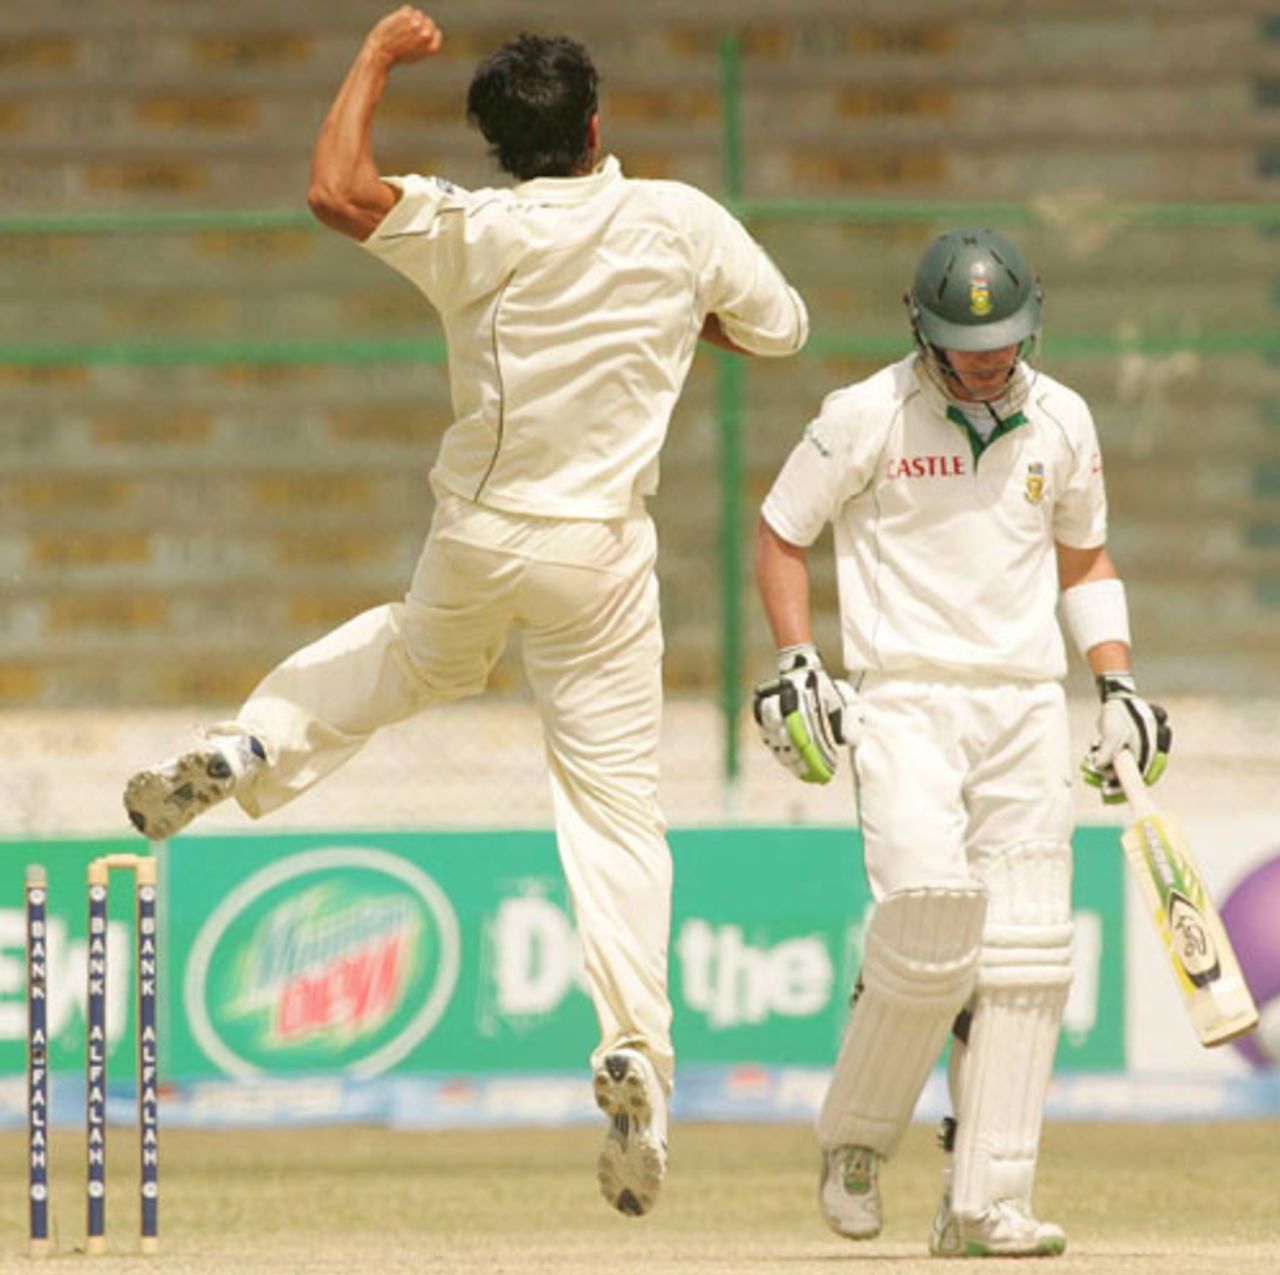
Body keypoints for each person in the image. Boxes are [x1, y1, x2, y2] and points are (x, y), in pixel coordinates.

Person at [123, 6, 808, 1219]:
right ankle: (636, 1051)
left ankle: (250, 745)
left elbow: (334, 190)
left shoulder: (468, 223)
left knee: (406, 657)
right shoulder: (678, 218)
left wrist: (378, 58)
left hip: (481, 534)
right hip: (599, 553)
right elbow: (779, 329)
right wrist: (668, 313)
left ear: (499, 145)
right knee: (612, 808)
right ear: (595, 126)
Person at [752, 227, 1170, 1257]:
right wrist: (801, 660)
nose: (986, 362)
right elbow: (778, 532)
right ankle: (854, 1141)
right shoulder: (864, 415)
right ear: (920, 331)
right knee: (928, 926)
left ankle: (984, 1201)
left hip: (1023, 705)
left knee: (1026, 959)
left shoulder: (1059, 416)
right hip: (904, 700)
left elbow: (1083, 557)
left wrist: (1114, 682)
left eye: (1004, 342)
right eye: (963, 344)